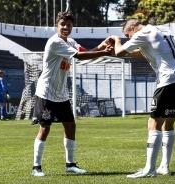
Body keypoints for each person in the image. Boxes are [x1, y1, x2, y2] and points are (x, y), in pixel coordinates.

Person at [31, 11, 114, 177]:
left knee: (70, 125)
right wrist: (105, 52)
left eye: (69, 25)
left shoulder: (70, 41)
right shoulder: (55, 42)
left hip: (61, 94)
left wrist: (102, 45)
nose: (65, 27)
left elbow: (87, 51)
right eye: (62, 24)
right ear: (56, 26)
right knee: (45, 128)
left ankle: (70, 164)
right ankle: (36, 167)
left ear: (72, 27)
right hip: (46, 92)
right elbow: (80, 56)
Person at [111, 18, 175, 178]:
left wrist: (116, 40)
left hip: (167, 81)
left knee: (153, 123)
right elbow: (145, 52)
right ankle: (164, 167)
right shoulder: (161, 30)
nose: (128, 38)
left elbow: (119, 52)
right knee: (168, 125)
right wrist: (129, 50)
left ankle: (149, 169)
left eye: (127, 35)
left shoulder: (143, 33)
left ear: (133, 27)